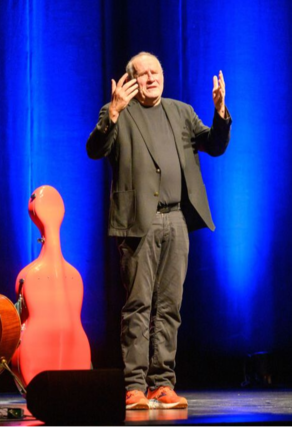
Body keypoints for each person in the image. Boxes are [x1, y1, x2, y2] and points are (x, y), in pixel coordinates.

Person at [86, 52, 232, 410]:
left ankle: (162, 384)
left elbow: (215, 145)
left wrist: (220, 113)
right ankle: (134, 386)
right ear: (130, 79)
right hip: (139, 223)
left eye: (155, 72)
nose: (151, 78)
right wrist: (115, 113)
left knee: (169, 307)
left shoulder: (180, 112)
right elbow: (94, 149)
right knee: (138, 305)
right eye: (143, 74)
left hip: (177, 220)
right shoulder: (117, 111)